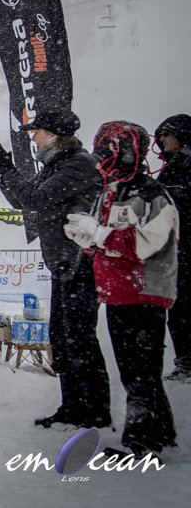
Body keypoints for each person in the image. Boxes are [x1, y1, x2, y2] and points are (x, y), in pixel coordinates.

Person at [0, 110, 111, 427]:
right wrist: (2, 171)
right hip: (63, 263)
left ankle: (95, 410)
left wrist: (7, 168)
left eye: (36, 131)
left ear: (53, 134)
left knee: (79, 338)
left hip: (80, 263)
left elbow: (34, 198)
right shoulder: (56, 165)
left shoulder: (79, 163)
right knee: (63, 337)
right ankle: (74, 406)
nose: (32, 137)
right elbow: (21, 200)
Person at [65, 120, 179, 457]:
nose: (99, 160)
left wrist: (101, 236)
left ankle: (142, 442)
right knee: (136, 368)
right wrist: (89, 239)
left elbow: (148, 242)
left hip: (143, 289)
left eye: (104, 152)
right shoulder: (111, 190)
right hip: (119, 289)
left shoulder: (150, 193)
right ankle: (161, 433)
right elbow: (109, 237)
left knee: (140, 369)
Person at [153, 114, 191, 382]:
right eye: (160, 135)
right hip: (174, 251)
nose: (163, 139)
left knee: (183, 308)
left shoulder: (183, 167)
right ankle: (185, 361)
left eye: (167, 134)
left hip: (183, 249)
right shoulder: (170, 168)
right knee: (178, 309)